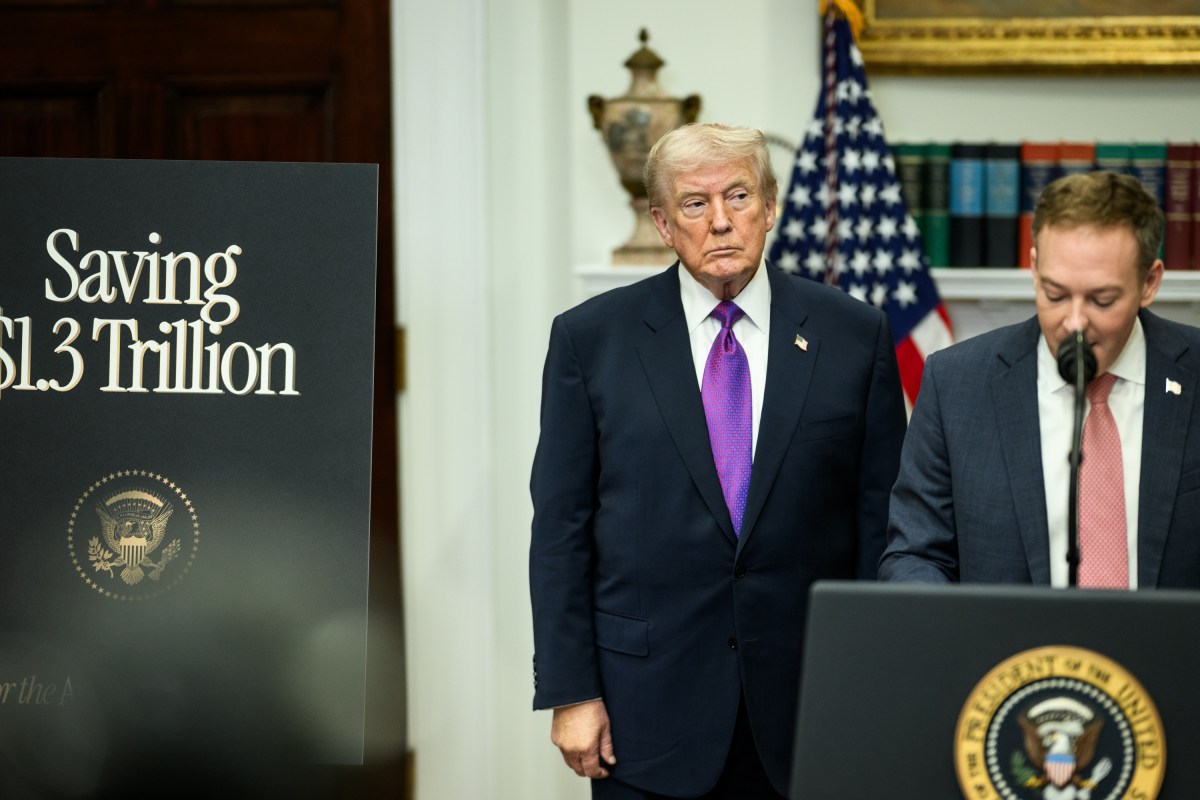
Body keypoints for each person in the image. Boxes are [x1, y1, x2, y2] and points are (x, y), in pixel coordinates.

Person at [529, 123, 907, 799]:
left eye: (738, 195)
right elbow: (560, 530)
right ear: (664, 223)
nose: (722, 221)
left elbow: (882, 527)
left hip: (808, 708)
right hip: (642, 714)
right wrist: (570, 691)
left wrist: (875, 686)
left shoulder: (855, 335)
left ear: (770, 205)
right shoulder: (591, 341)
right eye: (696, 204)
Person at [881, 170, 1200, 588]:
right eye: (1055, 294)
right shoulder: (957, 384)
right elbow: (915, 555)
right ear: (1033, 268)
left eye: (1102, 300)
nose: (1075, 322)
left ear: (1149, 283)